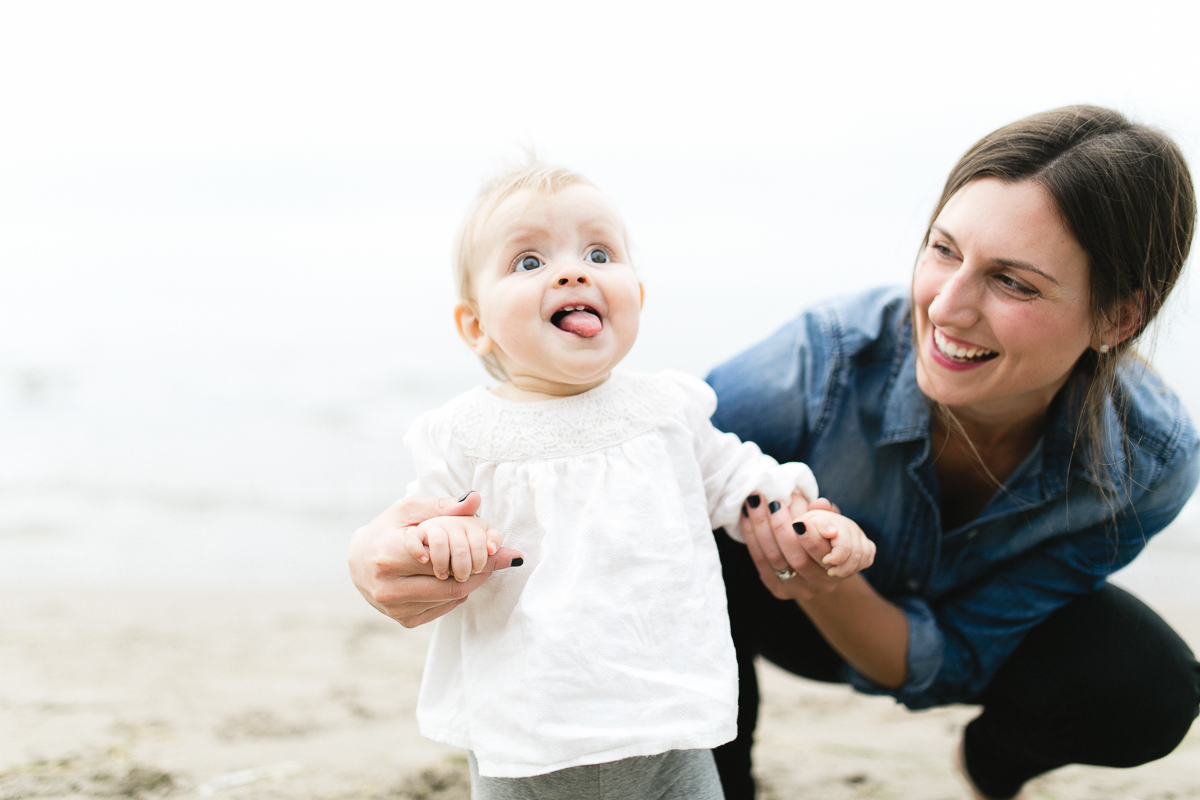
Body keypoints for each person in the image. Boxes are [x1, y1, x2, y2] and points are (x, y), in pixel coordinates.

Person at [349, 106, 1200, 800]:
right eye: (943, 250)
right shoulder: (820, 362)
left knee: (1153, 687)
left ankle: (993, 768)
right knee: (691, 524)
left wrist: (828, 574)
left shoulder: (1148, 460)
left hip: (900, 619)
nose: (948, 306)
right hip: (753, 613)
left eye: (1014, 282)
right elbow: (622, 453)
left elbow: (951, 657)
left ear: (1117, 319)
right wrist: (381, 552)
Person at [393, 162, 874, 800]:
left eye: (599, 252)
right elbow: (422, 528)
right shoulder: (461, 435)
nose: (572, 271)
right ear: (476, 324)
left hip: (666, 724)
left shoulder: (668, 412)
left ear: (637, 297)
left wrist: (810, 520)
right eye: (529, 262)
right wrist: (439, 542)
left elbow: (746, 482)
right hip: (527, 733)